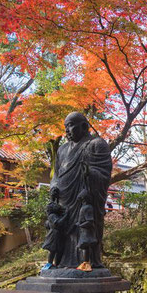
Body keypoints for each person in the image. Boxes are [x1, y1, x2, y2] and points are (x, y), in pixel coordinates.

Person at [48, 111, 113, 269]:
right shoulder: (62, 150)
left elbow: (104, 173)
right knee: (60, 233)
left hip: (85, 198)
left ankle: (88, 262)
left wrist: (89, 173)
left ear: (84, 126)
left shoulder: (97, 144)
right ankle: (57, 263)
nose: (67, 131)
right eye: (65, 127)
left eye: (70, 126)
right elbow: (56, 175)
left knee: (85, 231)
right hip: (64, 200)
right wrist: (54, 187)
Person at [41, 187, 67, 270]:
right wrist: (66, 215)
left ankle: (57, 264)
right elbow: (58, 223)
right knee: (53, 250)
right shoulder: (52, 216)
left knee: (59, 250)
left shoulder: (55, 211)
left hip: (59, 233)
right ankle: (49, 263)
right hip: (54, 234)